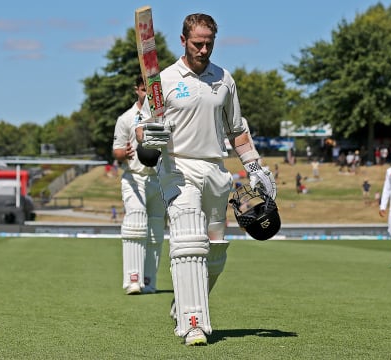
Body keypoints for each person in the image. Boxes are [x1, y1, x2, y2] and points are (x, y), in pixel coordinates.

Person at [136, 13, 276, 346]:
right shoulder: (164, 80)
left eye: (209, 43)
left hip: (215, 169)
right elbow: (143, 130)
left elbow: (237, 130)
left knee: (215, 250)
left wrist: (255, 167)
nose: (203, 49)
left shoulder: (224, 79)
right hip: (177, 167)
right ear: (183, 41)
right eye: (197, 43)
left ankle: (182, 305)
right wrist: (150, 136)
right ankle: (193, 323)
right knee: (188, 240)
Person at [112, 75, 166, 295]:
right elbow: (116, 151)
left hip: (159, 178)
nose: (147, 95)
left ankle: (148, 280)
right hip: (134, 176)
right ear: (137, 90)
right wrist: (123, 154)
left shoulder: (164, 116)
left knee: (155, 231)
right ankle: (132, 279)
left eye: (150, 91)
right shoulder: (126, 118)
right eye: (144, 90)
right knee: (135, 223)